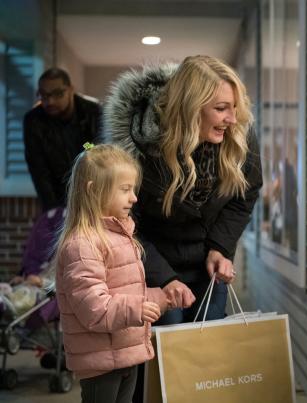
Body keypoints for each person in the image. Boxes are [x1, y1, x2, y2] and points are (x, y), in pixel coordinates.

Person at [105, 55, 262, 324]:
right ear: (191, 107)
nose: (233, 119)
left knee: (208, 351)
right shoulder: (139, 148)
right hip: (152, 265)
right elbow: (124, 223)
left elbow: (244, 195)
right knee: (169, 349)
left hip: (207, 265)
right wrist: (163, 277)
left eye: (234, 107)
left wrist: (220, 249)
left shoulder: (237, 137)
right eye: (222, 108)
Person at [54, 144, 168, 403]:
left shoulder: (119, 236)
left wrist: (160, 297)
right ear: (94, 190)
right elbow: (93, 308)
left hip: (126, 351)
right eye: (125, 190)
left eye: (133, 189)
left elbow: (125, 291)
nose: (134, 198)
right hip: (100, 360)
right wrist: (136, 310)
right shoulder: (82, 245)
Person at [24, 67, 102, 211]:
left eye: (58, 94)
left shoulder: (94, 113)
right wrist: (52, 208)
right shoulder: (34, 121)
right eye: (43, 95)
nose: (50, 101)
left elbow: (102, 158)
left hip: (94, 195)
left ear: (71, 89)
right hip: (57, 198)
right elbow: (38, 169)